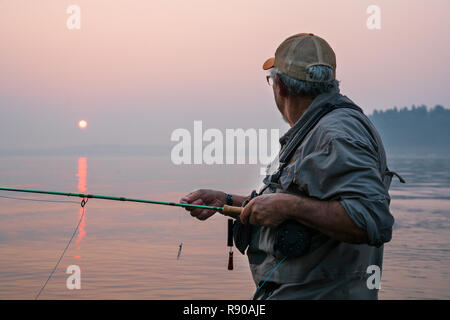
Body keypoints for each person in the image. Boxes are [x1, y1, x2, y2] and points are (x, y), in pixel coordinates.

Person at [180, 33, 401, 299]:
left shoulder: (335, 133)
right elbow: (300, 202)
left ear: (281, 86)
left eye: (271, 80)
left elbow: (372, 219)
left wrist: (287, 206)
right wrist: (225, 201)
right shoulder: (316, 129)